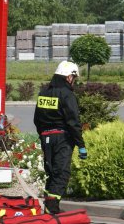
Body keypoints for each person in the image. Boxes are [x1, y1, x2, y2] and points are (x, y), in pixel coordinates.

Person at [33, 60, 87, 214]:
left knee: (51, 171)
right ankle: (53, 206)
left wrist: (43, 136)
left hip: (46, 137)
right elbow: (73, 122)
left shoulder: (43, 93)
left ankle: (49, 205)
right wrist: (81, 145)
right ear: (69, 77)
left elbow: (37, 119)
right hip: (62, 138)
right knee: (62, 172)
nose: (74, 82)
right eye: (74, 79)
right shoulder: (67, 95)